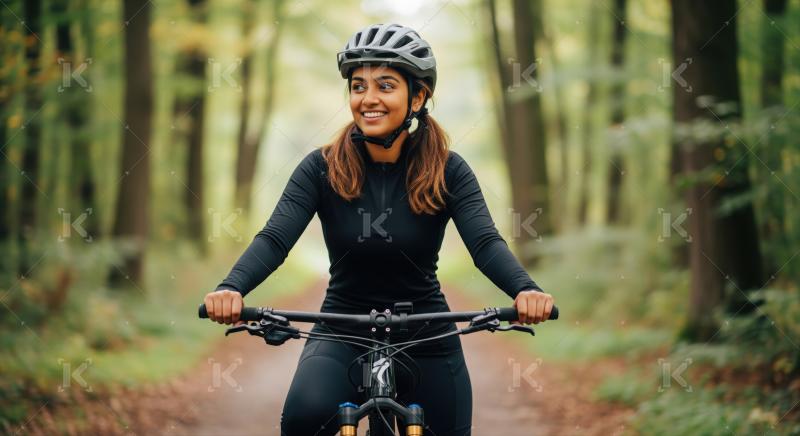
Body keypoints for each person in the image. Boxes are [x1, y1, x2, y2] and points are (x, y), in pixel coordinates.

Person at [203, 23, 555, 436]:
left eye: (385, 86)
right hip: (341, 328)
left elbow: (484, 243)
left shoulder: (449, 170)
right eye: (357, 86)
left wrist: (524, 290)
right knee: (302, 419)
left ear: (418, 96)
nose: (368, 99)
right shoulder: (320, 168)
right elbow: (274, 239)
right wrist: (232, 288)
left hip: (427, 333)